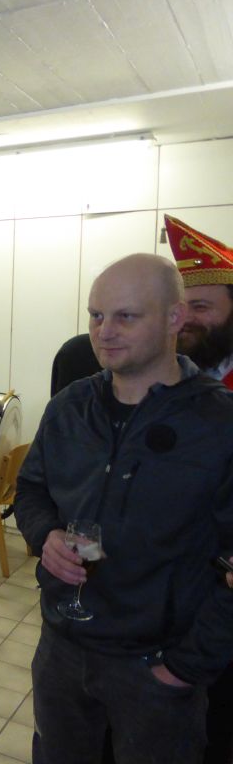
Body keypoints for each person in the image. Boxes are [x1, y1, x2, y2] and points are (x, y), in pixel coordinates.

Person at [14, 253, 233, 764]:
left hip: (156, 665)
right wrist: (44, 534)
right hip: (62, 649)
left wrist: (186, 666)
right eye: (96, 315)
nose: (104, 331)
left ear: (175, 318)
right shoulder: (70, 407)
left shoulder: (218, 423)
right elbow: (31, 490)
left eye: (125, 316)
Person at [166, 214, 233, 764]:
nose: (188, 319)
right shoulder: (165, 374)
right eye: (182, 306)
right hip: (158, 597)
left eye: (203, 306)